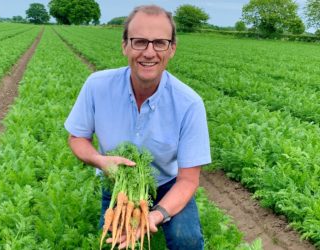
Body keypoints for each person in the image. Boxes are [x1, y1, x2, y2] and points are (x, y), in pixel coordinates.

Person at [64, 4, 211, 250]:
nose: (149, 52)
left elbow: (187, 180)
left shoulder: (190, 104)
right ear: (125, 46)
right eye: (140, 42)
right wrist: (101, 161)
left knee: (188, 240)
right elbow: (77, 137)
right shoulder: (97, 86)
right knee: (116, 242)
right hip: (118, 183)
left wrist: (155, 215)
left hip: (167, 184)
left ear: (172, 49)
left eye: (159, 43)